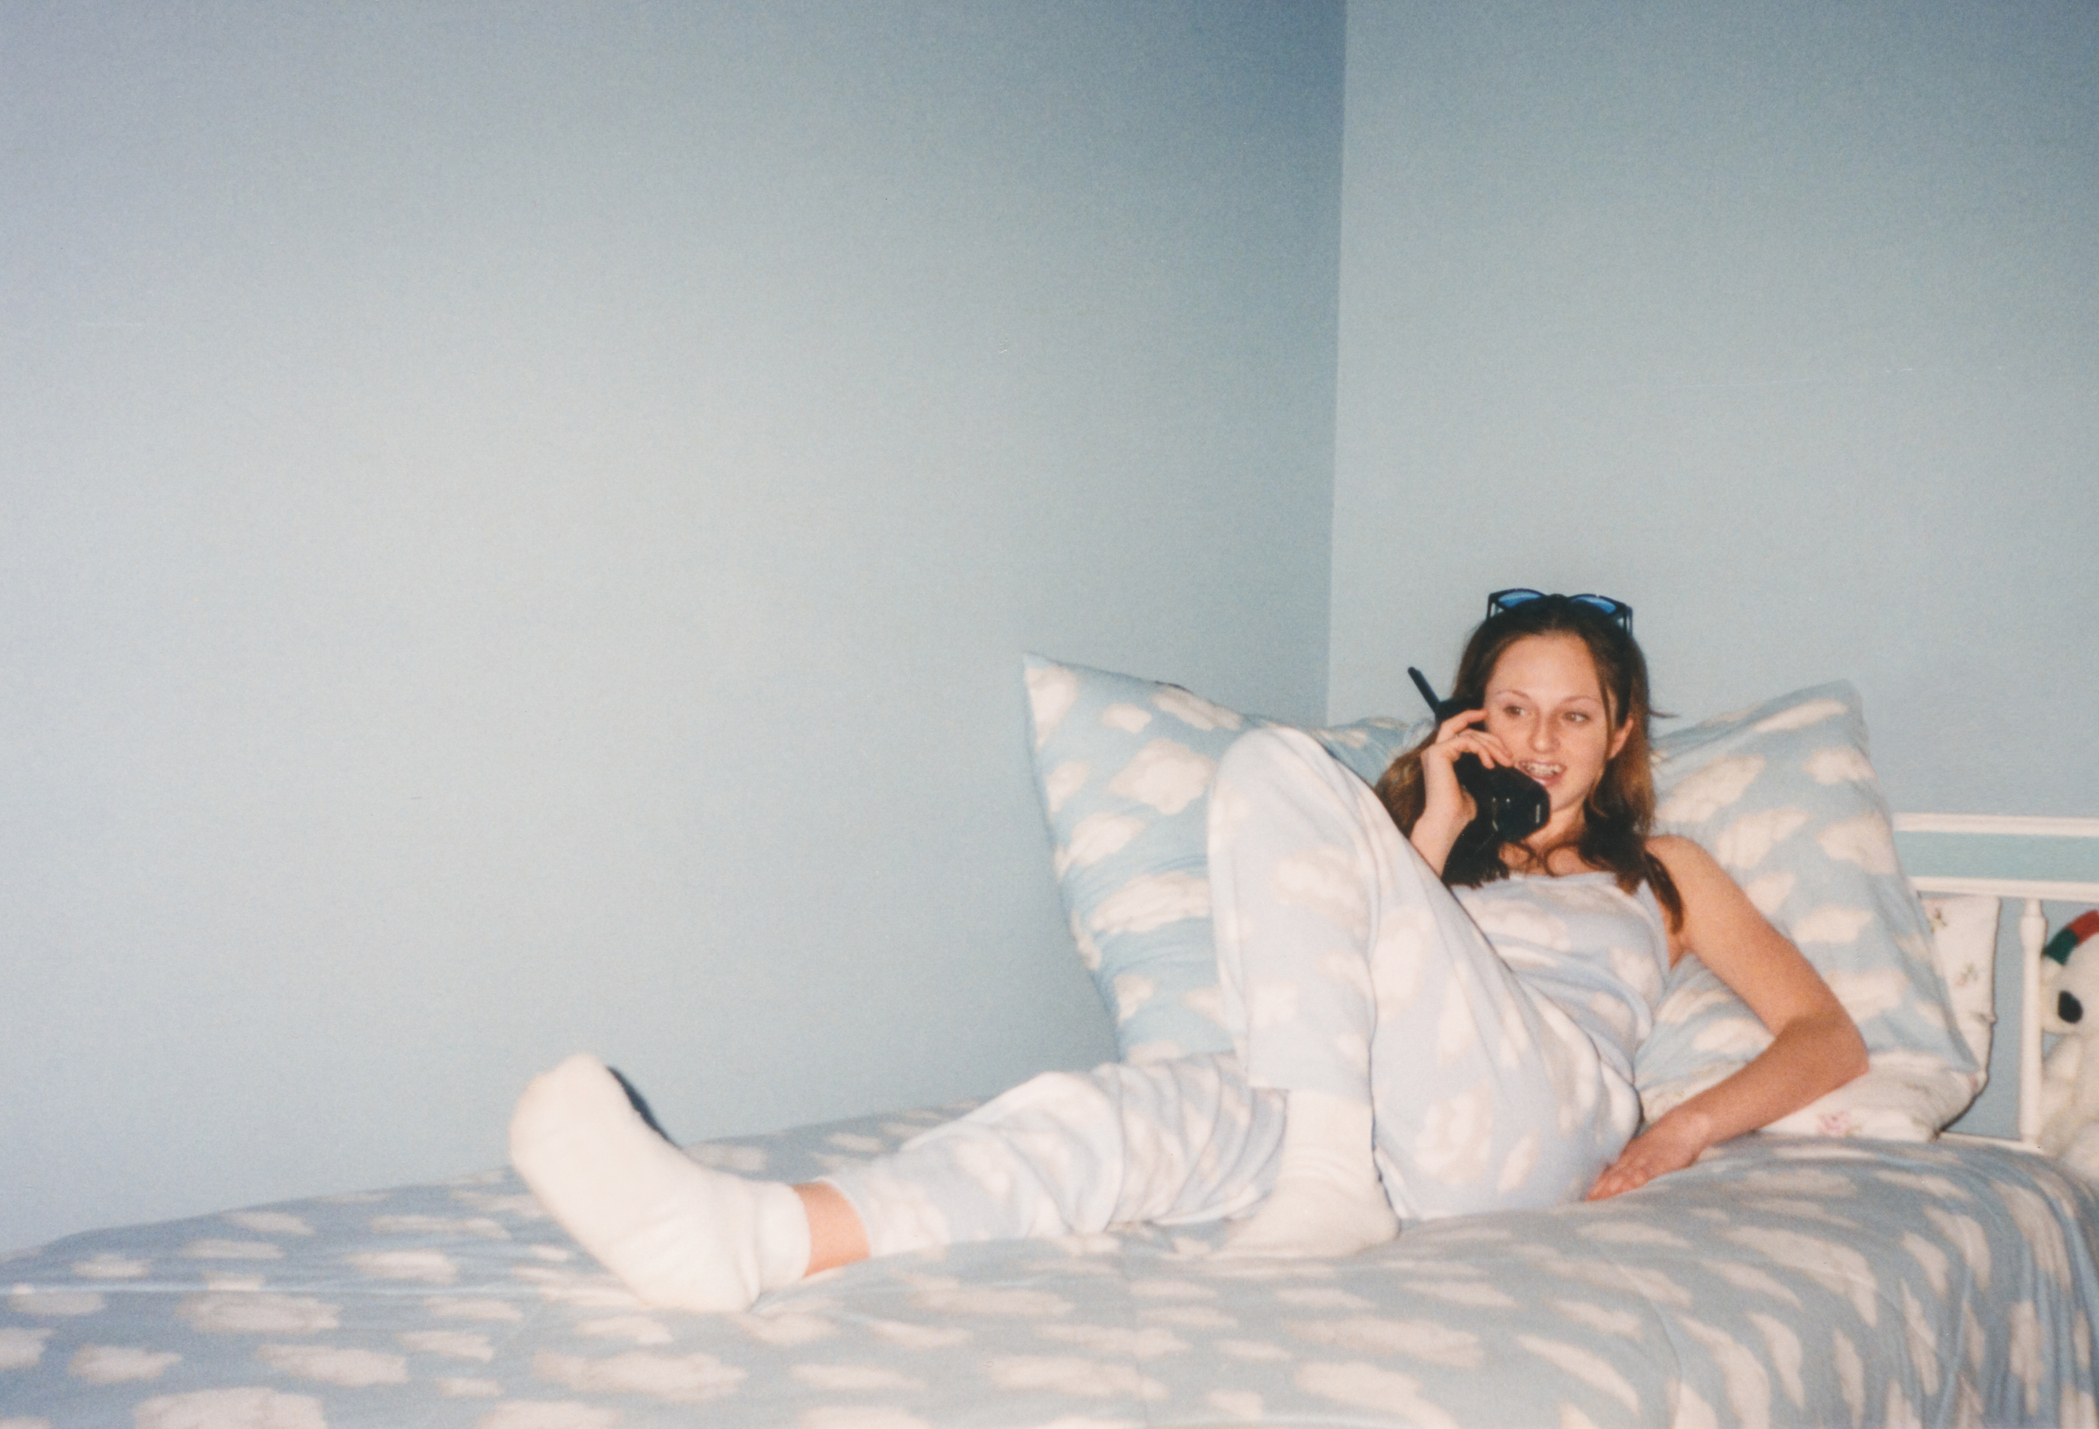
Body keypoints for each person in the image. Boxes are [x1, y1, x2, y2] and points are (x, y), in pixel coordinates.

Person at [509, 591, 1869, 1312]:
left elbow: (1829, 1038)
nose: (1542, 739)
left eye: (1577, 712)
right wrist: (1435, 824)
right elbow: (1352, 972)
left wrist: (1684, 1128)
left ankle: (1320, 1177)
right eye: (1512, 707)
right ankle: (747, 1236)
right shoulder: (1420, 838)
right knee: (1122, 1112)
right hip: (1375, 1123)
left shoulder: (1662, 873)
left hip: (1539, 1113)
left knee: (1279, 766)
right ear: (1474, 718)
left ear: (1622, 731)